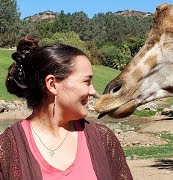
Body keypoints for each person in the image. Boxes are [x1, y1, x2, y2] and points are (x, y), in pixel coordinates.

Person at [0, 37, 133, 179]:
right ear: (52, 84)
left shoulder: (104, 139)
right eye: (86, 81)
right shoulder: (6, 148)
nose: (93, 91)